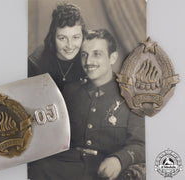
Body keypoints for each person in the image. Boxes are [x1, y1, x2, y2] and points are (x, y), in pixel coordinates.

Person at [28, 29, 145, 180]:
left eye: (97, 54)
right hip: (65, 167)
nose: (88, 62)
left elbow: (140, 144)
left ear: (112, 57)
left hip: (103, 169)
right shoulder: (70, 91)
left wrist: (119, 160)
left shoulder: (132, 96)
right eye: (84, 55)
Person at [28, 2, 86, 90]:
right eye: (62, 38)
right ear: (53, 37)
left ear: (83, 36)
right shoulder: (35, 62)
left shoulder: (89, 58)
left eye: (75, 37)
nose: (69, 45)